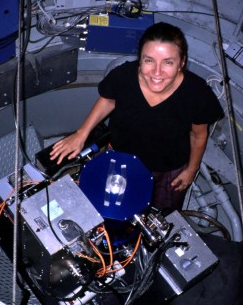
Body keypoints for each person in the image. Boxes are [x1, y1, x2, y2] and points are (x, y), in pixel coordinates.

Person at [49, 22, 225, 211]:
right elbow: (108, 100)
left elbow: (198, 135)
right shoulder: (124, 76)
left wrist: (191, 170)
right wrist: (81, 134)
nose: (157, 72)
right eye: (149, 60)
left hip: (167, 169)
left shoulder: (197, 94)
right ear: (140, 60)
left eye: (168, 62)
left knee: (163, 212)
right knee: (118, 204)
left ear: (182, 62)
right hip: (123, 158)